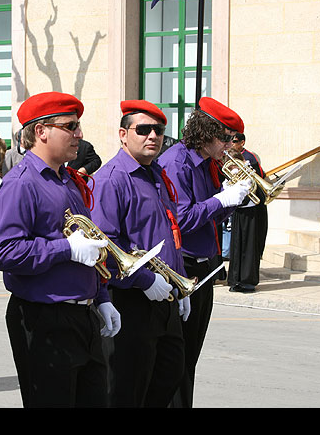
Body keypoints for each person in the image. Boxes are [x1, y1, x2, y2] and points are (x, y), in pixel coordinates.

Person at [0, 91, 120, 408]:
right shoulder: (21, 182)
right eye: (70, 126)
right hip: (43, 317)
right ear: (42, 131)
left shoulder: (68, 181)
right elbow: (2, 251)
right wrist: (66, 249)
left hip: (82, 315)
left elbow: (87, 247)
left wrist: (101, 298)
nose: (79, 134)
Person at [90, 99, 187, 408]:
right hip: (131, 299)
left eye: (158, 130)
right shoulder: (111, 179)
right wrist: (144, 281)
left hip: (165, 297)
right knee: (127, 390)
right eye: (143, 130)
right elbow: (106, 245)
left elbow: (171, 234)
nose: (153, 137)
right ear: (123, 134)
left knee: (168, 375)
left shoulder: (156, 174)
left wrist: (180, 282)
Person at [158, 96, 249, 408]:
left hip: (205, 266)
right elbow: (181, 219)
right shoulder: (177, 163)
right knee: (176, 359)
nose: (229, 145)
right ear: (206, 133)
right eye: (225, 137)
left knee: (190, 355)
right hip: (183, 266)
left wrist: (234, 200)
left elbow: (208, 216)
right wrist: (222, 200)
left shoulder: (207, 164)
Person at [224, 145, 268, 293]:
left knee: (249, 247)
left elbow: (252, 191)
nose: (231, 168)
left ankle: (248, 281)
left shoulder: (249, 168)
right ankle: (235, 280)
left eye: (232, 164)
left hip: (252, 213)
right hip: (239, 213)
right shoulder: (231, 173)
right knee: (237, 246)